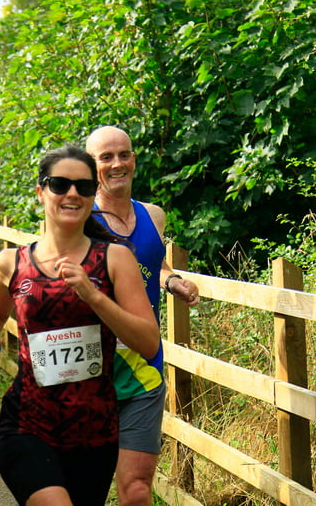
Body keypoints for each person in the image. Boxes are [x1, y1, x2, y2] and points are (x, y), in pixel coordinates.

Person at [0, 144, 160, 506]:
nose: (72, 193)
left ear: (93, 195)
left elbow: (149, 343)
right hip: (27, 424)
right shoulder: (13, 261)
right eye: (60, 184)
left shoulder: (115, 259)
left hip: (94, 432)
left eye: (84, 187)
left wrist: (94, 295)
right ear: (41, 191)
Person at [86, 126, 200, 506]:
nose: (117, 164)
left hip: (144, 364)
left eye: (124, 154)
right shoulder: (79, 221)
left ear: (134, 159)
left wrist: (173, 282)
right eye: (106, 157)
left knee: (136, 488)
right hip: (91, 368)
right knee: (87, 486)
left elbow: (156, 264)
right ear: (91, 166)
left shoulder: (153, 216)